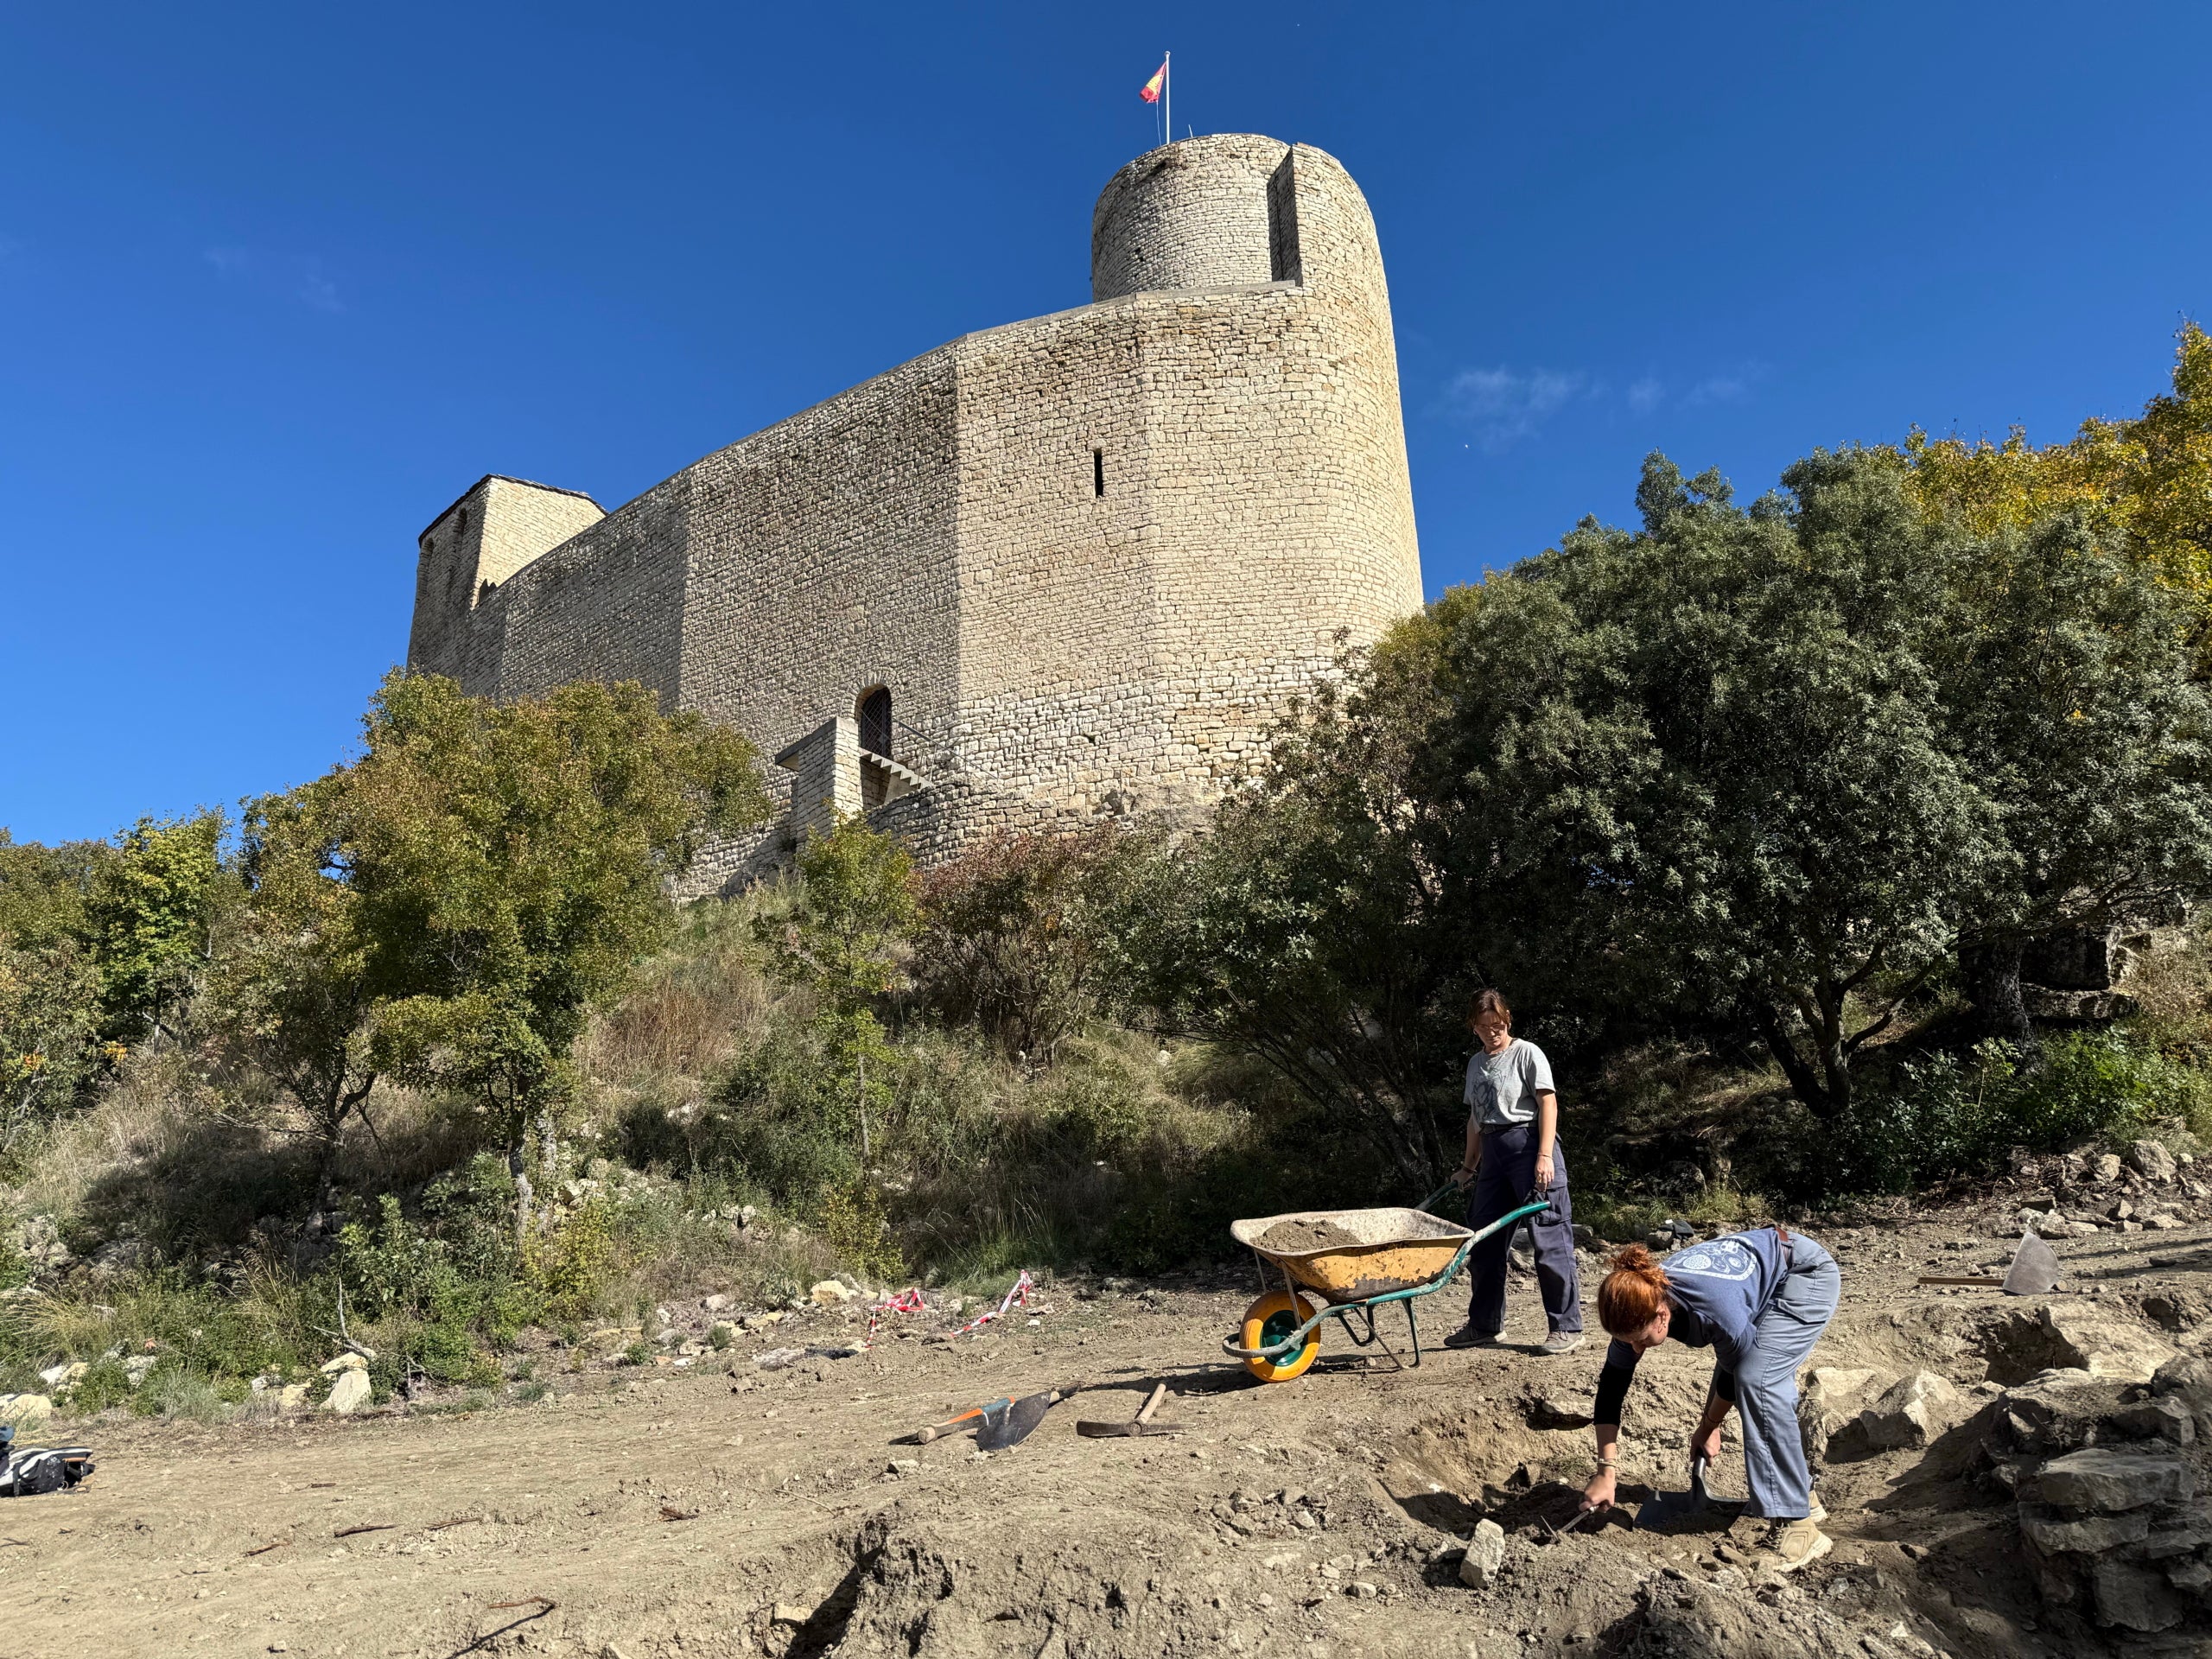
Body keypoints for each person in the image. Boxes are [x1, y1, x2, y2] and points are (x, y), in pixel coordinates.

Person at [1579, 1228, 1841, 1573]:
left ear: (1662, 1316)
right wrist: (1606, 1471)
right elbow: (1612, 1387)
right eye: (1626, 1342)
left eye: (1641, 1340)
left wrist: (1708, 1426)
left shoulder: (1714, 1309)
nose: (1635, 1349)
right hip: (1761, 1277)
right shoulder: (1641, 1301)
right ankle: (1802, 1496)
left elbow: (1735, 1374)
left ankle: (1799, 1527)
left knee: (1758, 1380)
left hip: (1804, 1274)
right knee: (1748, 1368)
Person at [1442, 989, 1584, 1356]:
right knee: (1484, 1239)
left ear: (1508, 1020)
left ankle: (1566, 1327)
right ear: (1473, 1027)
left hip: (1529, 1147)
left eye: (1499, 1024)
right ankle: (1485, 1324)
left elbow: (1547, 1102)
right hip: (1493, 1154)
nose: (1493, 1031)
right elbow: (1475, 1119)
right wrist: (1468, 1166)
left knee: (1549, 1238)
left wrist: (1544, 1154)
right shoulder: (1476, 1064)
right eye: (1485, 1026)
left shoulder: (1526, 1053)